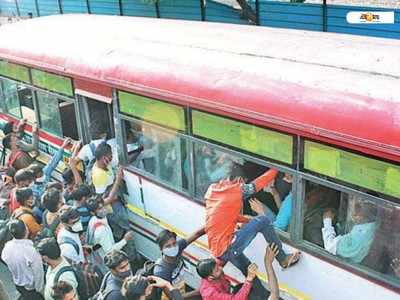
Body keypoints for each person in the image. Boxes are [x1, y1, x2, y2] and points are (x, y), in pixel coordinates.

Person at [91, 143, 129, 240]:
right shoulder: (99, 175)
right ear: (104, 158)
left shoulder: (104, 164)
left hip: (116, 202)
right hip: (113, 209)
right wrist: (118, 180)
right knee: (128, 227)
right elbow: (103, 202)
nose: (112, 157)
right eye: (110, 156)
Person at [86, 196, 134, 273]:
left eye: (103, 206)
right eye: (99, 209)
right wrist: (125, 240)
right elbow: (110, 251)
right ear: (92, 212)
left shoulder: (94, 220)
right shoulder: (100, 230)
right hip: (109, 262)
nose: (103, 209)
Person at [322, 198, 378, 264]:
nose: (353, 207)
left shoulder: (359, 237)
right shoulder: (371, 225)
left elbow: (330, 246)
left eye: (359, 205)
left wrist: (327, 220)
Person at [153, 228, 205, 298]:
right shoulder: (161, 271)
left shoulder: (177, 248)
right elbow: (173, 297)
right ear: (161, 249)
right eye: (168, 246)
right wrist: (197, 292)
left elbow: (197, 233)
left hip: (181, 290)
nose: (173, 247)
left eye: (174, 243)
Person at [28, 138, 72, 220]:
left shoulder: (45, 172)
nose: (42, 174)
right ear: (34, 177)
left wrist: (62, 147)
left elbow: (53, 162)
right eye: (39, 174)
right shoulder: (33, 190)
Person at [1, 220, 44, 300]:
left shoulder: (7, 246)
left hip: (18, 284)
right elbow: (39, 274)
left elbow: (4, 259)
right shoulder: (31, 251)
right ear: (26, 230)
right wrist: (40, 290)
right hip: (32, 288)